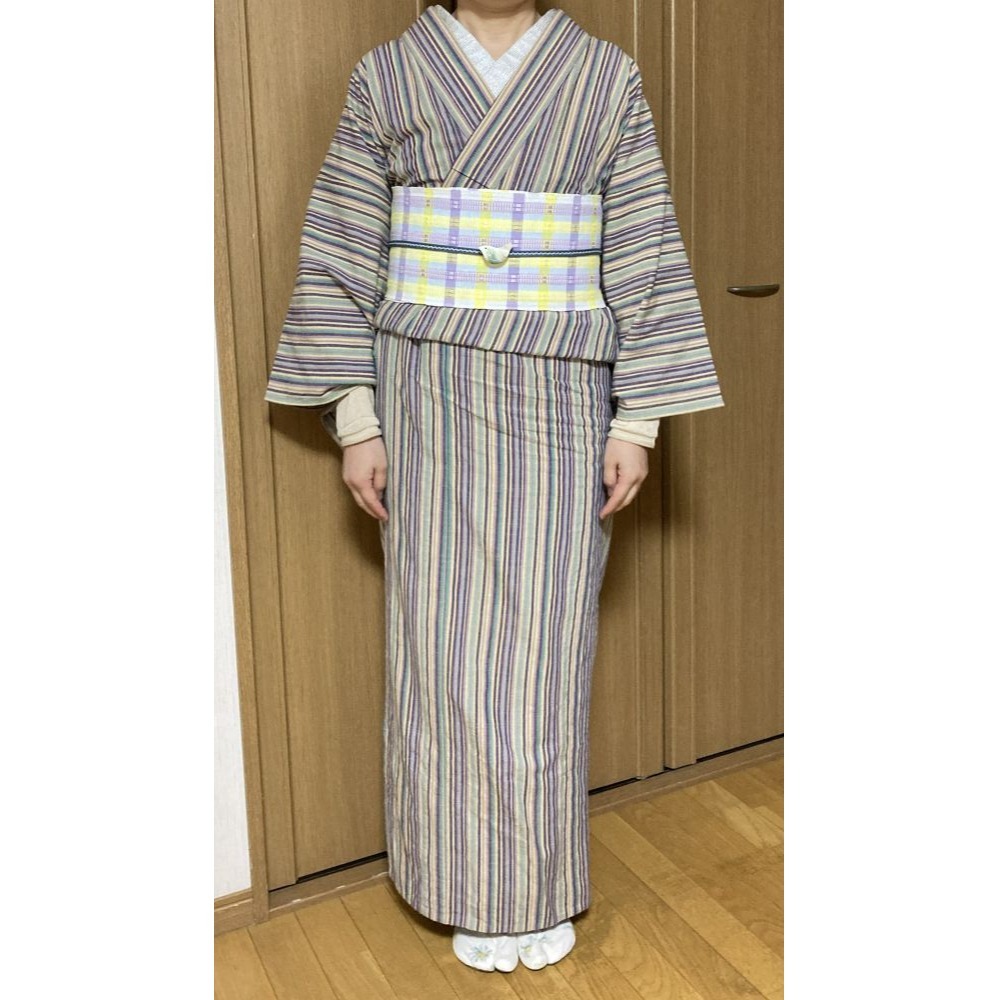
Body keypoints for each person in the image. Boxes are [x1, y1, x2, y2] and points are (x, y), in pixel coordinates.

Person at [263, 0, 725, 974]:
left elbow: (642, 249)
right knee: (441, 643)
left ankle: (532, 886)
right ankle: (456, 881)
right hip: (424, 389)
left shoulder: (604, 78)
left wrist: (636, 423)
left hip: (562, 391)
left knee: (543, 648)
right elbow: (342, 249)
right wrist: (356, 420)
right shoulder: (388, 75)